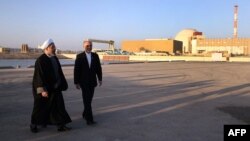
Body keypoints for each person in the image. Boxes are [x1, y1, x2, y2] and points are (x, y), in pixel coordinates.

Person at [30, 39, 72, 133]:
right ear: (47, 48)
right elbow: (38, 76)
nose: (55, 48)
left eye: (54, 46)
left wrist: (62, 83)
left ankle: (61, 125)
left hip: (56, 87)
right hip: (45, 88)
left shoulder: (54, 58)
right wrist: (43, 90)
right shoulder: (41, 60)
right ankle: (33, 124)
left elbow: (59, 72)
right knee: (40, 107)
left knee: (59, 106)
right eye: (53, 47)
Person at [74, 40, 102, 125]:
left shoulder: (95, 56)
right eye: (87, 46)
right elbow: (76, 70)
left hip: (92, 82)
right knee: (86, 100)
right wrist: (76, 82)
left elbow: (98, 68)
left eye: (90, 45)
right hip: (83, 82)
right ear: (84, 46)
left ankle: (85, 113)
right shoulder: (79, 56)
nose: (89, 47)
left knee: (89, 100)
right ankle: (89, 119)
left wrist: (100, 79)